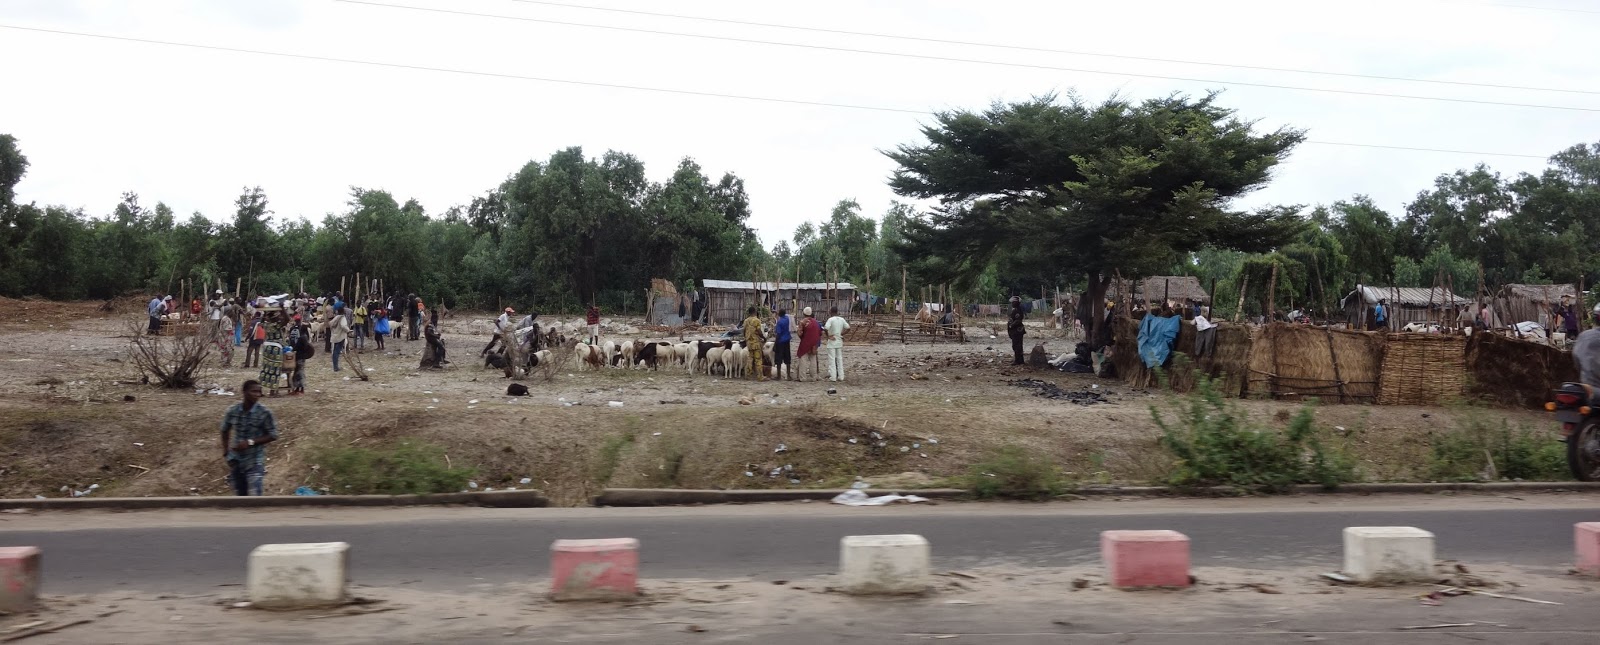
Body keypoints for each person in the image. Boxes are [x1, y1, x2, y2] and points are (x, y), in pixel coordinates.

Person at [220, 380, 279, 496]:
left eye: (259, 392)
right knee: (240, 497)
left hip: (255, 459)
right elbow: (224, 430)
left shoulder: (264, 413)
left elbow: (273, 435)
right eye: (254, 391)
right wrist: (226, 451)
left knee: (255, 495)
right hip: (236, 460)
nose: (257, 395)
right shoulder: (233, 411)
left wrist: (250, 442)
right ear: (244, 392)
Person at [823, 306, 850, 383]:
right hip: (839, 340)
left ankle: (833, 377)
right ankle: (841, 376)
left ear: (831, 311)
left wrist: (828, 336)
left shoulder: (830, 319)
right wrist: (842, 334)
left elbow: (826, 328)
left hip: (832, 341)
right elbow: (848, 328)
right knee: (839, 359)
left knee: (832, 359)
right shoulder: (841, 319)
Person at [796, 307, 822, 381]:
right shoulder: (816, 322)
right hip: (814, 343)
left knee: (803, 360)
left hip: (805, 342)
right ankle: (814, 376)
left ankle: (803, 377)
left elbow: (800, 333)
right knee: (813, 359)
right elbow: (820, 333)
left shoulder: (803, 322)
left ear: (804, 313)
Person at [742, 306, 767, 382]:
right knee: (758, 360)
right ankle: (760, 376)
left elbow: (744, 331)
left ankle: (748, 375)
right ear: (755, 311)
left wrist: (746, 337)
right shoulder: (757, 320)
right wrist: (763, 337)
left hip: (749, 343)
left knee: (750, 358)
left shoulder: (746, 321)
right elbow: (759, 331)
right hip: (756, 343)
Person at [773, 308, 793, 381]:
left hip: (780, 341)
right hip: (787, 340)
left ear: (779, 314)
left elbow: (778, 334)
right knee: (787, 358)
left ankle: (779, 376)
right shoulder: (787, 319)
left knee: (778, 359)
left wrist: (775, 344)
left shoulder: (779, 322)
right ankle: (788, 375)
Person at [330, 305, 351, 372]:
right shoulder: (342, 318)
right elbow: (343, 326)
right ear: (343, 311)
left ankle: (335, 366)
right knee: (337, 351)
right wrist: (348, 331)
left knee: (335, 352)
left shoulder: (336, 317)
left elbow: (331, 324)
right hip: (340, 336)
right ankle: (336, 367)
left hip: (335, 335)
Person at [1007, 296, 1026, 366]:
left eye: (1013, 302)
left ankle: (1019, 361)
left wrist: (1011, 325)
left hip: (1017, 331)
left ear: (1016, 303)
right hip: (1016, 331)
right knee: (1016, 346)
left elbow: (1018, 320)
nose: (1012, 303)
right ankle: (1018, 360)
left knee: (1017, 346)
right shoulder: (1015, 309)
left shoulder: (1018, 310)